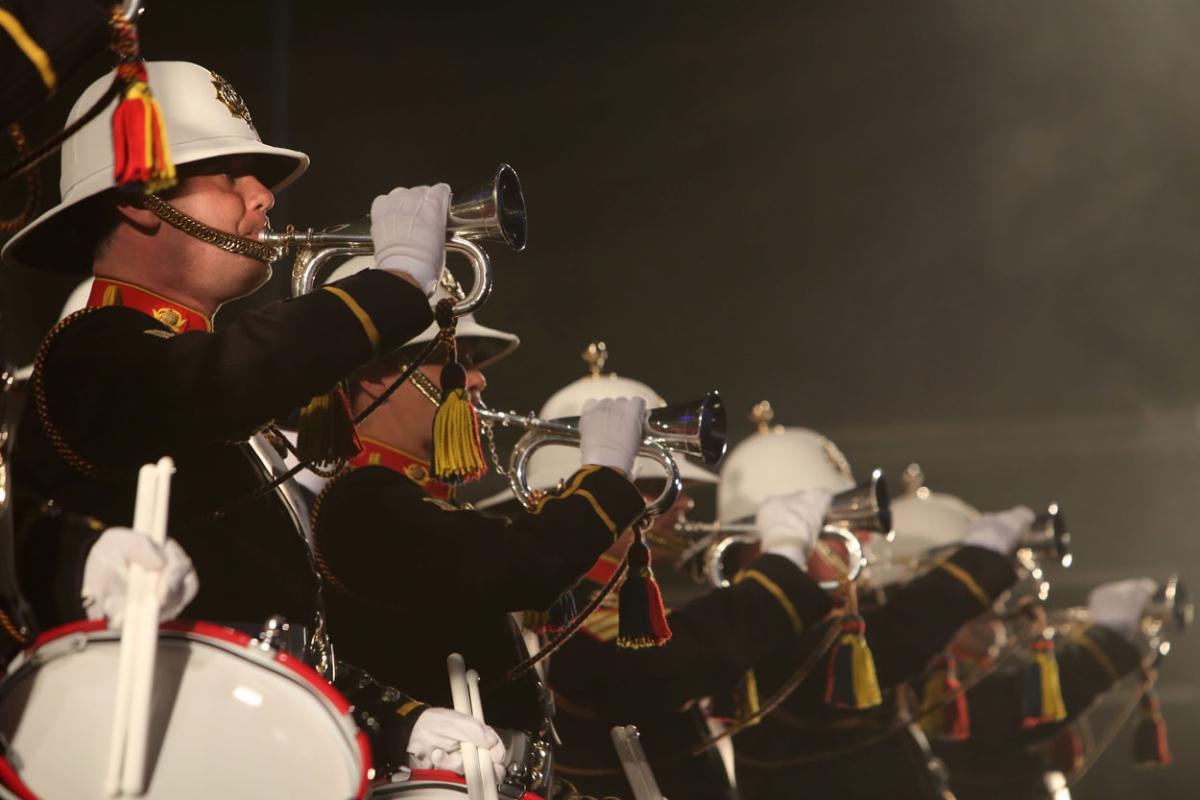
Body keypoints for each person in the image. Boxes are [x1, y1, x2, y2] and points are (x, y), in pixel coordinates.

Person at [2, 61, 498, 776]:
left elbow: (263, 626)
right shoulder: (93, 350)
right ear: (143, 201)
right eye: (231, 175)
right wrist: (388, 290)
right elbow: (219, 379)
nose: (264, 198)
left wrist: (397, 721)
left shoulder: (223, 404)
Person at [309, 260, 670, 797]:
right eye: (449, 361)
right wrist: (602, 479)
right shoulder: (364, 500)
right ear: (372, 373)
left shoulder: (409, 502)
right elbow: (523, 565)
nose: (476, 379)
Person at [478, 357, 841, 800]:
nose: (683, 502)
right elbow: (662, 668)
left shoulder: (614, 594)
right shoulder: (565, 602)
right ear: (578, 490)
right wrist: (781, 561)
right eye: (657, 483)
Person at [709, 408, 1025, 800]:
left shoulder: (813, 621)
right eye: (835, 526)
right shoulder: (762, 632)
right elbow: (893, 641)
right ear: (771, 535)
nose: (862, 539)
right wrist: (977, 566)